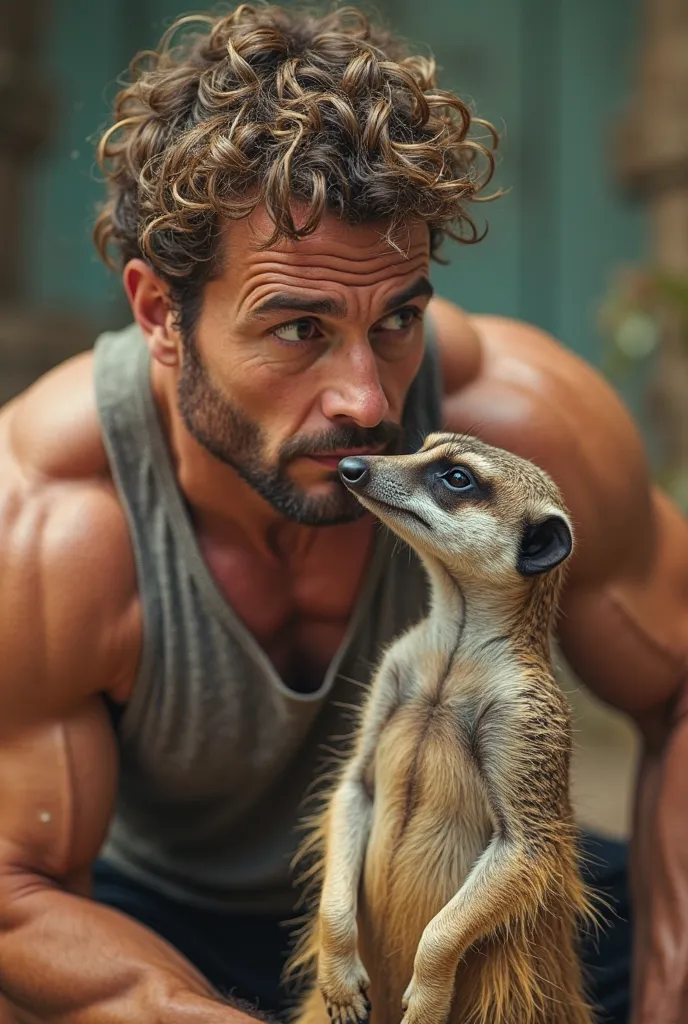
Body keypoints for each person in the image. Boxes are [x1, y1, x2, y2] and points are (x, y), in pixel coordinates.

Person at [0, 5, 686, 1023]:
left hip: (466, 902)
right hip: (169, 927)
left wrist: (666, 994)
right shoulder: (51, 519)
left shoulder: (522, 427)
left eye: (396, 317)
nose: (367, 400)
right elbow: (19, 890)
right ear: (157, 314)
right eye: (299, 328)